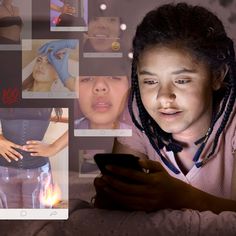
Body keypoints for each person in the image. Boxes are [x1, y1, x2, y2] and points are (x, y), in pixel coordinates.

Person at [94, 2, 236, 213]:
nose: (163, 97)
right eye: (150, 82)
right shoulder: (136, 109)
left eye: (182, 80)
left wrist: (183, 197)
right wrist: (115, 195)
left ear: (217, 76)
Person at [0, 108, 68, 208]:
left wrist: (54, 147)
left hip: (38, 172)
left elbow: (86, 119)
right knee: (8, 222)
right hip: (4, 171)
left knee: (38, 222)